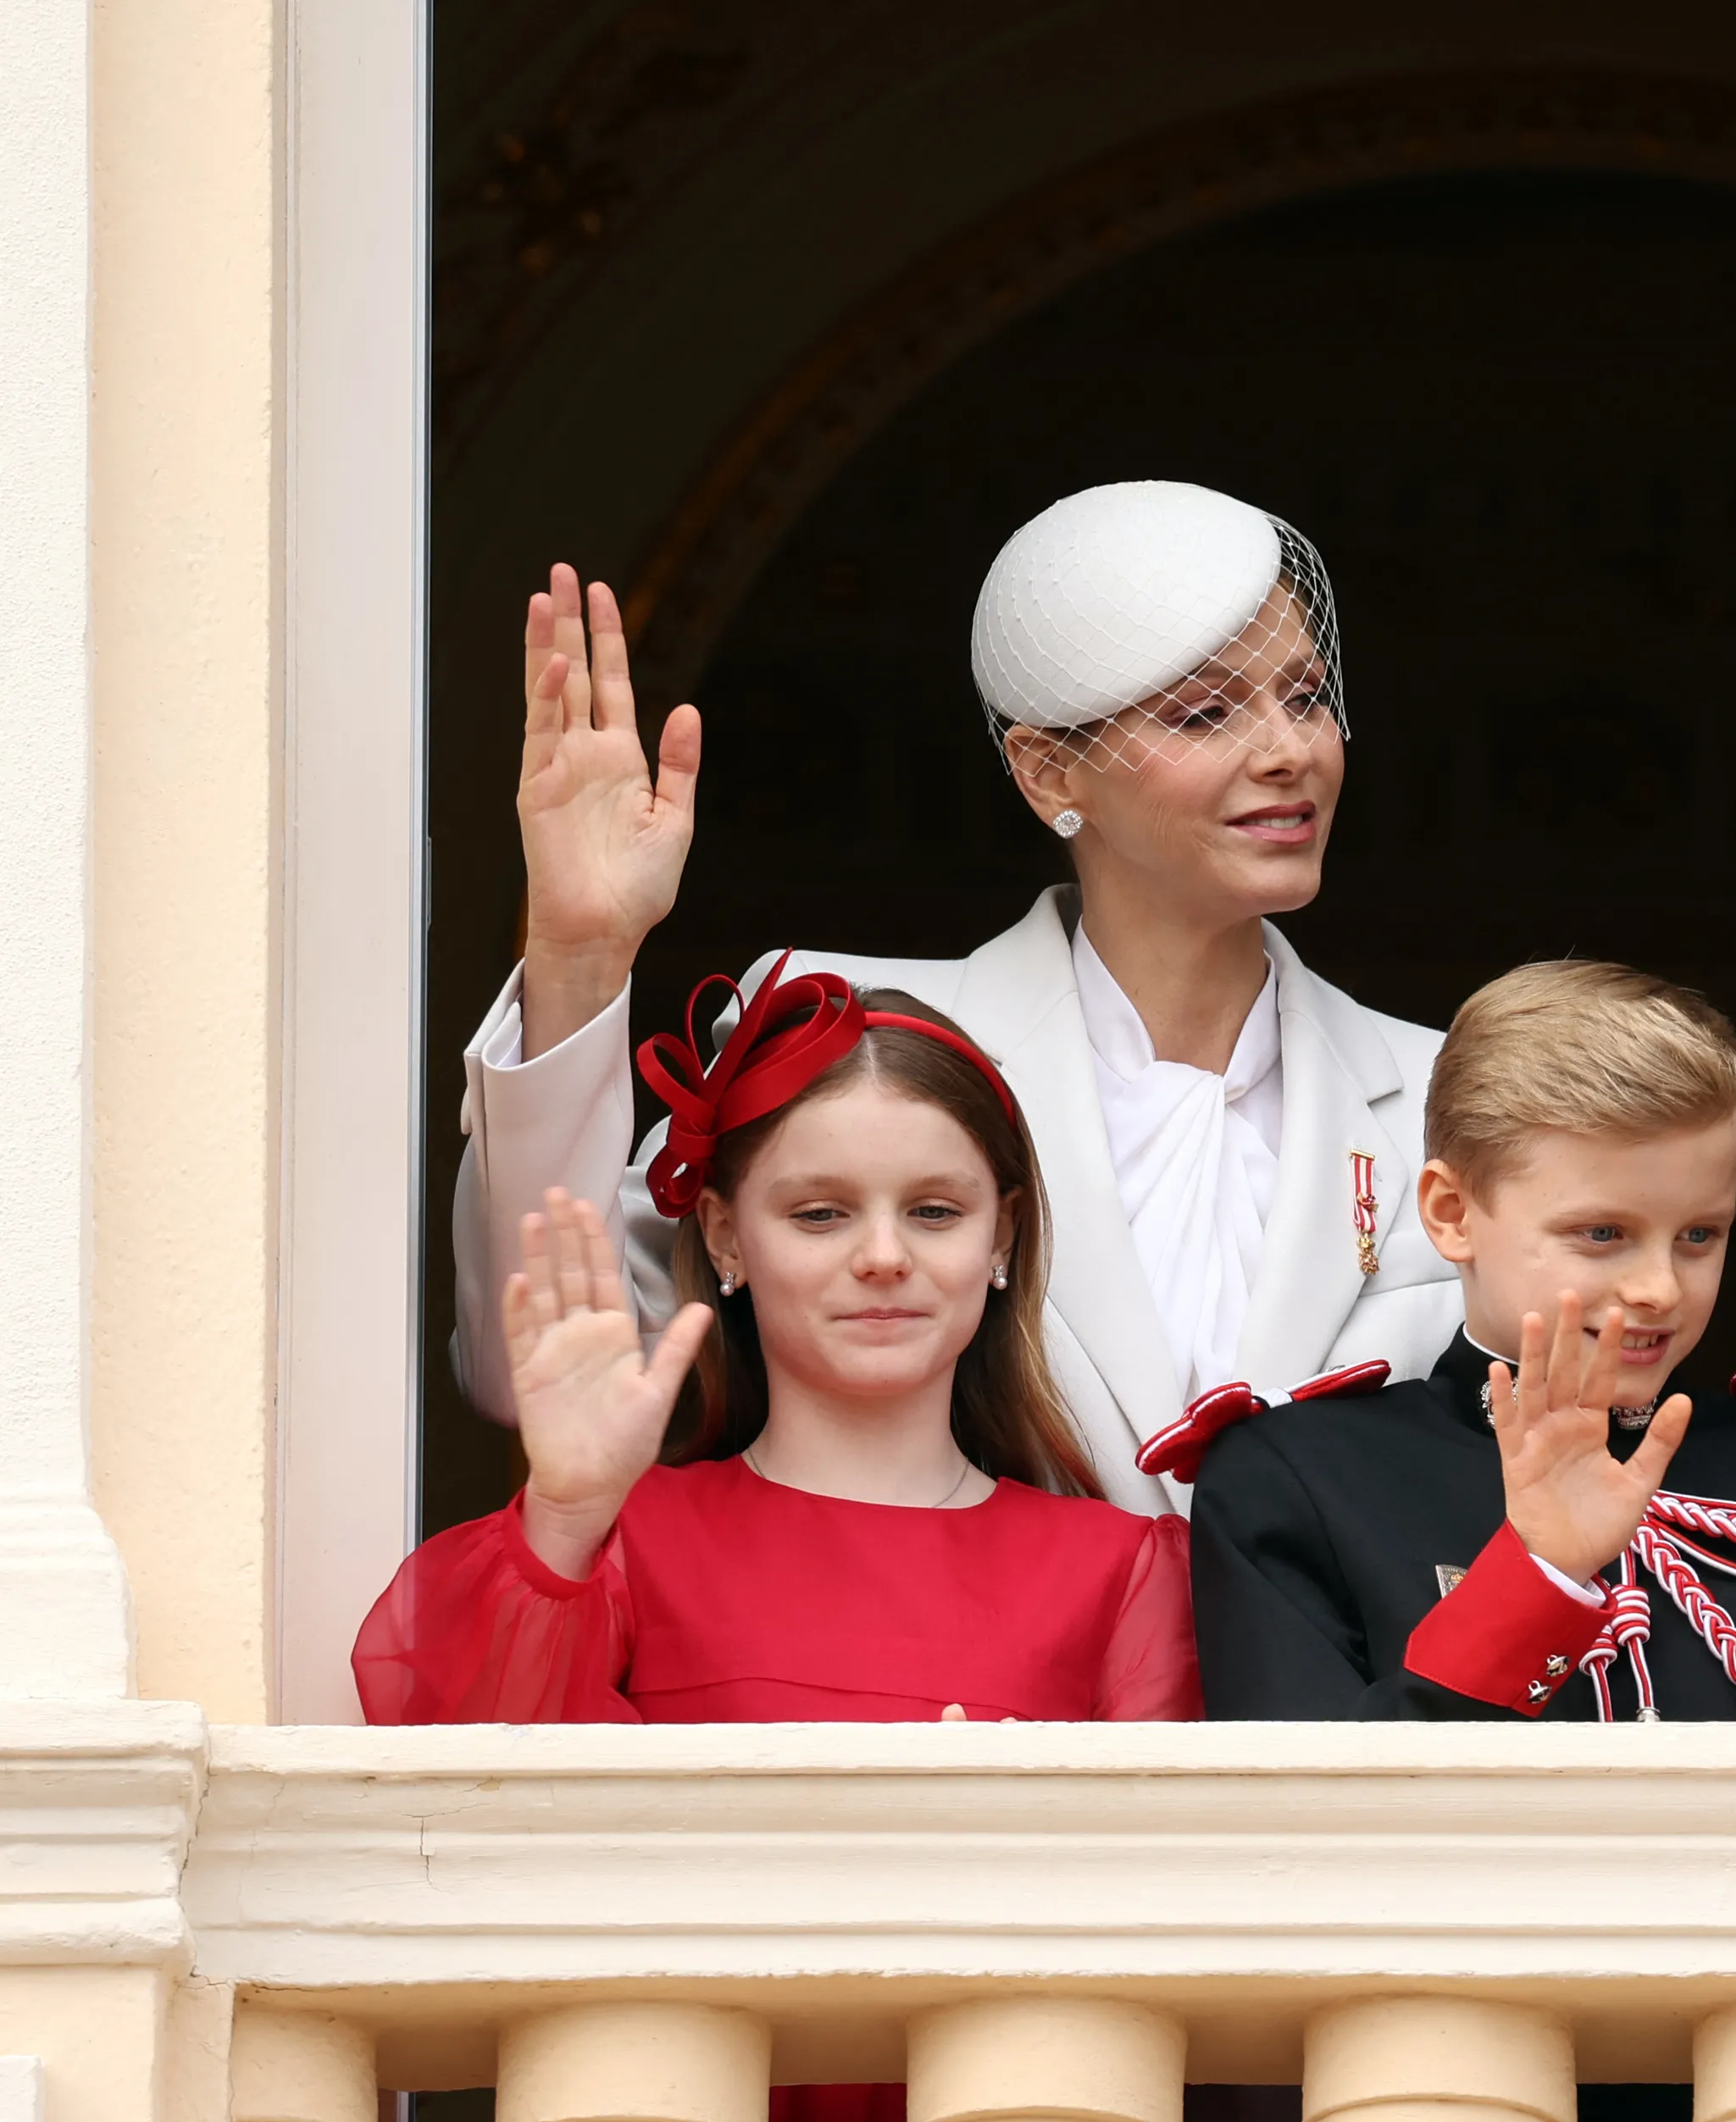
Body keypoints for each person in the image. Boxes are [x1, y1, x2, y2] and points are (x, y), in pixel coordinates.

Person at [452, 482, 1459, 1512]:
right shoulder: (839, 1027)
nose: (1289, 750)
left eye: (1305, 695)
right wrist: (578, 951)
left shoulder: (1450, 1094)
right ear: (1047, 773)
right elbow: (532, 1373)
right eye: (1206, 711)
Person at [358, 969, 1197, 2122]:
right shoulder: (626, 1542)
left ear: (1003, 1237)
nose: (883, 1257)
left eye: (937, 1212)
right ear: (723, 1239)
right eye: (819, 1214)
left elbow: (1181, 1930)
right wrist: (566, 1512)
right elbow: (475, 1826)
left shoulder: (1122, 1568)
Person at [1164, 961, 1736, 1728]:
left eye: (1699, 1234)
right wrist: (1536, 1579)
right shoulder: (1300, 1483)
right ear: (1451, 1214)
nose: (1659, 1285)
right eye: (1603, 1233)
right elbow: (1307, 1828)